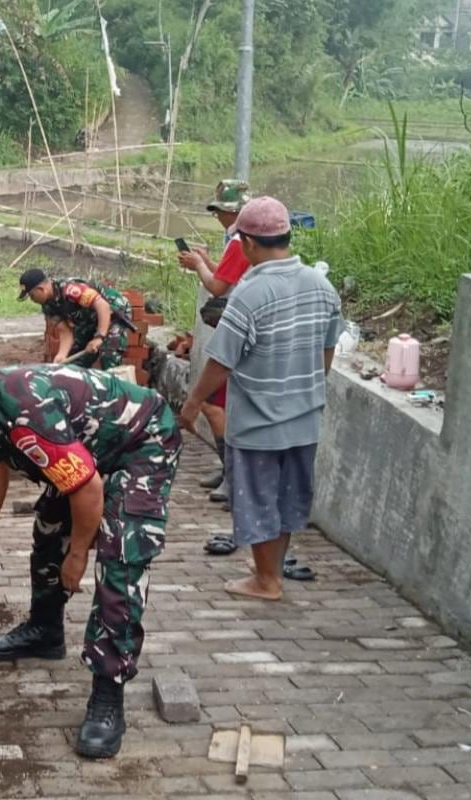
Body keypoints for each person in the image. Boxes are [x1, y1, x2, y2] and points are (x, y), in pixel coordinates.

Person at [0, 345, 181, 759]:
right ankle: (45, 632)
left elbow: (88, 488)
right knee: (49, 530)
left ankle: (108, 692)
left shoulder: (25, 417)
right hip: (90, 448)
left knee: (121, 560)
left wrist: (79, 553)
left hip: (142, 442)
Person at [180, 197, 342, 601]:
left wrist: (193, 402)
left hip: (258, 421)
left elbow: (221, 361)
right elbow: (327, 351)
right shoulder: (322, 286)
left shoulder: (250, 294)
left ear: (249, 243)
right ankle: (270, 572)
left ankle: (266, 580)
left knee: (255, 498)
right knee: (287, 497)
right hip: (305, 418)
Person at [178, 180, 252, 510]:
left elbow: (219, 287)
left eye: (220, 210)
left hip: (236, 328)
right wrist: (207, 261)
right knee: (220, 404)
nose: (218, 217)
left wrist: (199, 268)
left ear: (229, 211)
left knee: (212, 403)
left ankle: (232, 474)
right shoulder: (239, 241)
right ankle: (229, 471)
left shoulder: (239, 242)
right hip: (240, 327)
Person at [18, 269, 134, 370]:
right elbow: (65, 332)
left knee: (109, 356)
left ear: (41, 289)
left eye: (32, 296)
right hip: (89, 318)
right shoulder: (48, 306)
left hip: (113, 310)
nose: (32, 300)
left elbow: (103, 306)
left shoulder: (70, 289)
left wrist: (99, 337)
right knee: (75, 364)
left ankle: (117, 390)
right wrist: (61, 355)